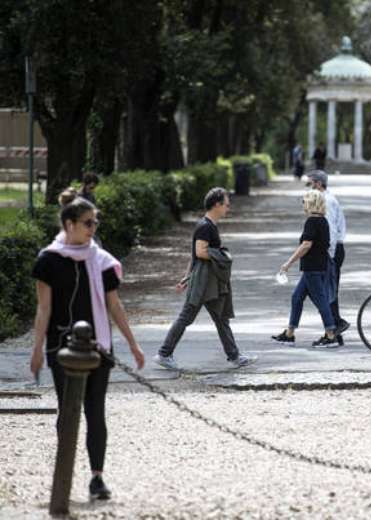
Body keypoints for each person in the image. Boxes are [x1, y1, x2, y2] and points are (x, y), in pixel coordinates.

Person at [30, 190, 145, 501]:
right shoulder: (48, 261)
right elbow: (44, 308)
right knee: (67, 412)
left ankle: (97, 478)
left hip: (98, 346)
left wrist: (133, 344)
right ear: (69, 224)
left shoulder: (102, 261)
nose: (93, 229)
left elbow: (114, 305)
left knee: (96, 411)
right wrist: (37, 348)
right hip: (60, 346)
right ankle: (63, 474)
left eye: (95, 223)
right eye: (87, 223)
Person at [154, 188, 249, 370]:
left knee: (221, 318)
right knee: (186, 318)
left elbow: (194, 257)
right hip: (204, 282)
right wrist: (222, 255)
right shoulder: (205, 226)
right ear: (217, 204)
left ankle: (235, 356)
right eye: (226, 205)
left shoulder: (209, 225)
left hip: (208, 281)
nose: (228, 208)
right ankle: (164, 354)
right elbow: (200, 252)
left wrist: (186, 277)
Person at [272, 190, 339, 347]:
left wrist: (288, 263)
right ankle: (289, 333)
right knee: (297, 297)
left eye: (304, 201)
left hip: (312, 268)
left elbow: (306, 244)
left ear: (311, 203)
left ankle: (330, 335)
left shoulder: (312, 221)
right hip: (318, 266)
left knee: (321, 301)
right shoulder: (323, 221)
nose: (303, 204)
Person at [306, 170, 349, 344]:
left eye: (310, 183)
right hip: (332, 250)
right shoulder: (326, 199)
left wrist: (326, 255)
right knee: (326, 291)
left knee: (325, 292)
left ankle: (335, 325)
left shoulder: (326, 201)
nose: (308, 187)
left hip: (331, 251)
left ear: (318, 184)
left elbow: (330, 229)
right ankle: (335, 330)